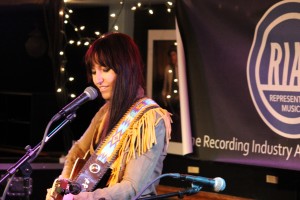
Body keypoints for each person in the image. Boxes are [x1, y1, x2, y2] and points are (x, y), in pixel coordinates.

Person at [45, 32, 172, 200]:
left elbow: (132, 187)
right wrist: (63, 187)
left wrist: (82, 198)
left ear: (126, 69)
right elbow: (77, 151)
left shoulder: (149, 119)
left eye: (105, 70)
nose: (98, 80)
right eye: (93, 71)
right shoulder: (105, 111)